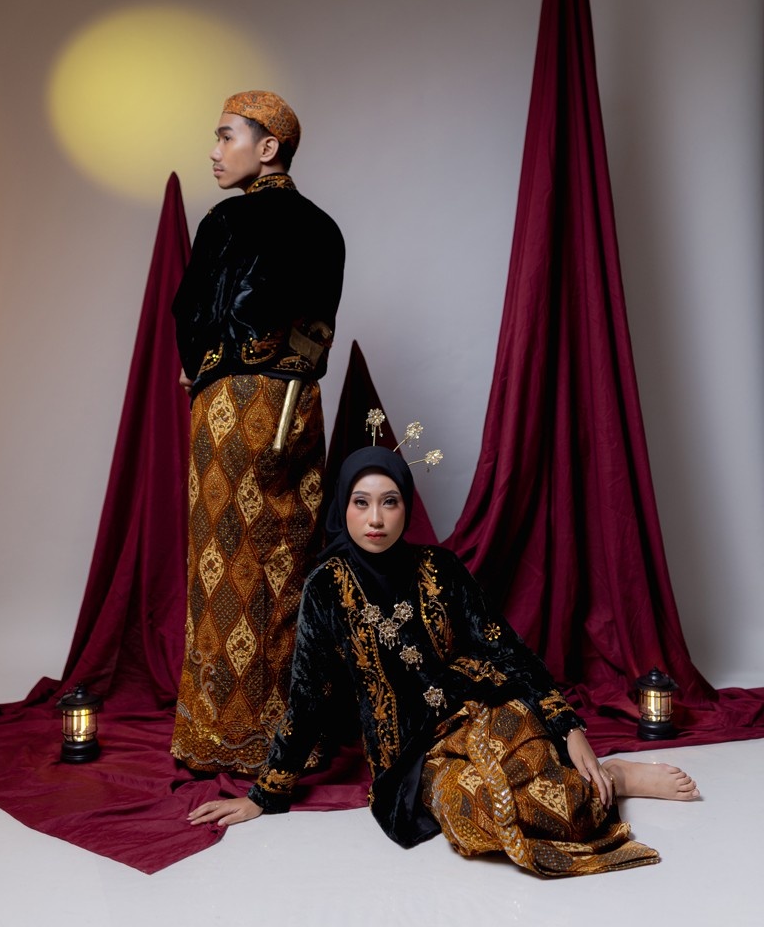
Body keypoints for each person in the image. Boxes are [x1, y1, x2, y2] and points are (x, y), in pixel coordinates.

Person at [187, 446, 699, 877]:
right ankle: (613, 780)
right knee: (478, 812)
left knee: (556, 793)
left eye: (389, 502)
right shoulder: (326, 589)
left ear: (406, 506)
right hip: (414, 755)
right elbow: (308, 696)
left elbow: (505, 647)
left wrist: (569, 727)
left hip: (482, 705)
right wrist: (265, 794)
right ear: (343, 506)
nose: (375, 519)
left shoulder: (439, 566)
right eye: (361, 503)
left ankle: (615, 777)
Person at [170, 90, 345, 774]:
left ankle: (222, 734)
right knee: (287, 556)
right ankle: (293, 729)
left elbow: (196, 309)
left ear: (267, 147)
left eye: (226, 137)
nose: (215, 152)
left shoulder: (229, 219)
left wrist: (200, 368)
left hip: (234, 404)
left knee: (223, 559)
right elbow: (317, 327)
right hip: (300, 404)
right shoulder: (326, 228)